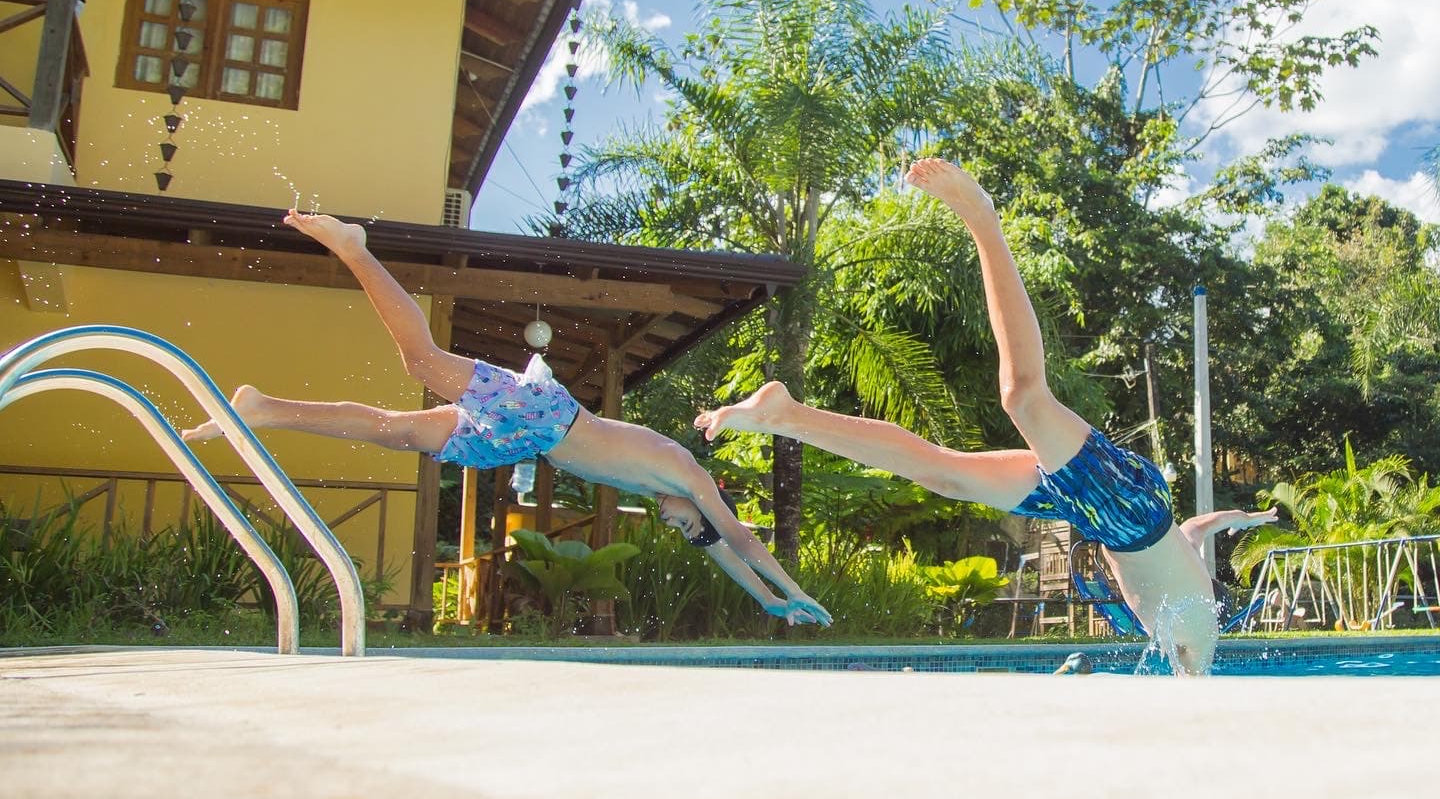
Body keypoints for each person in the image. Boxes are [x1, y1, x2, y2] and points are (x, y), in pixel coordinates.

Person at [695, 158, 1224, 674]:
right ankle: (983, 221)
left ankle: (784, 415)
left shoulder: (1189, 600)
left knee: (940, 472)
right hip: (1132, 514)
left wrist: (1236, 520)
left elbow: (1195, 530)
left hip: (1101, 517)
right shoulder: (1194, 651)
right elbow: (1189, 562)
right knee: (1023, 397)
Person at [182, 209, 831, 628]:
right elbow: (738, 543)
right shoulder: (688, 476)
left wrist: (768, 603)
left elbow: (720, 553)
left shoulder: (664, 492)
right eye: (690, 529)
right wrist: (791, 591)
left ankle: (263, 409)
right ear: (707, 508)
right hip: (545, 415)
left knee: (397, 429)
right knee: (424, 362)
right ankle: (355, 249)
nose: (678, 528)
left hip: (524, 442)